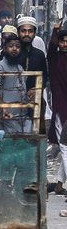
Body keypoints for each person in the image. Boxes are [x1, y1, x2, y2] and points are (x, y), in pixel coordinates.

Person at [0, 34, 31, 133]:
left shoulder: (19, 67)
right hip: (6, 115)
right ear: (4, 48)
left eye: (17, 47)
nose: (14, 49)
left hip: (22, 115)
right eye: (11, 46)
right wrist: (2, 107)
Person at [46, 20, 67, 194]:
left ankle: (60, 184)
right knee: (64, 146)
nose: (65, 43)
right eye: (62, 41)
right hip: (61, 109)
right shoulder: (55, 59)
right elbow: (51, 50)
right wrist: (55, 32)